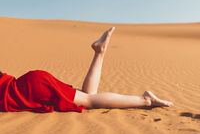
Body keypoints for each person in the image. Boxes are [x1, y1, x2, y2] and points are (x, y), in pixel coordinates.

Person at [0, 27, 173, 113]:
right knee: (88, 94)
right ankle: (99, 52)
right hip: (28, 84)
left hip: (30, 89)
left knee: (90, 101)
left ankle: (145, 101)